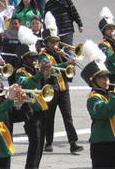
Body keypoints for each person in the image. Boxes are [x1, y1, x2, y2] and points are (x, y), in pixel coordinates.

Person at [39, 13, 82, 154]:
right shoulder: (43, 55)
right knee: (49, 117)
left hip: (64, 88)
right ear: (46, 42)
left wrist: (69, 63)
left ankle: (73, 142)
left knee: (68, 117)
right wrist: (65, 62)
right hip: (51, 89)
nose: (55, 44)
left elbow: (67, 70)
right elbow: (50, 69)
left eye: (56, 41)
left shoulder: (59, 53)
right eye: (52, 42)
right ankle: (48, 142)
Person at [81, 55, 115, 169]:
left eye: (107, 77)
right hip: (102, 145)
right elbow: (105, 111)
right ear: (93, 81)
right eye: (102, 78)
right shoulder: (93, 98)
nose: (107, 81)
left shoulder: (112, 94)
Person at [15, 26, 51, 169]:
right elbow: (27, 85)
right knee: (34, 145)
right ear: (25, 59)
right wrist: (40, 73)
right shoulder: (20, 72)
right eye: (31, 58)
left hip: (42, 110)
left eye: (35, 57)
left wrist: (47, 73)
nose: (35, 60)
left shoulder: (37, 70)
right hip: (30, 112)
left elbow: (45, 86)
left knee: (40, 145)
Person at [97, 7, 115, 84]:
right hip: (111, 74)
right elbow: (111, 58)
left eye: (113, 28)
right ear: (104, 31)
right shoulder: (102, 44)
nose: (112, 30)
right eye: (109, 28)